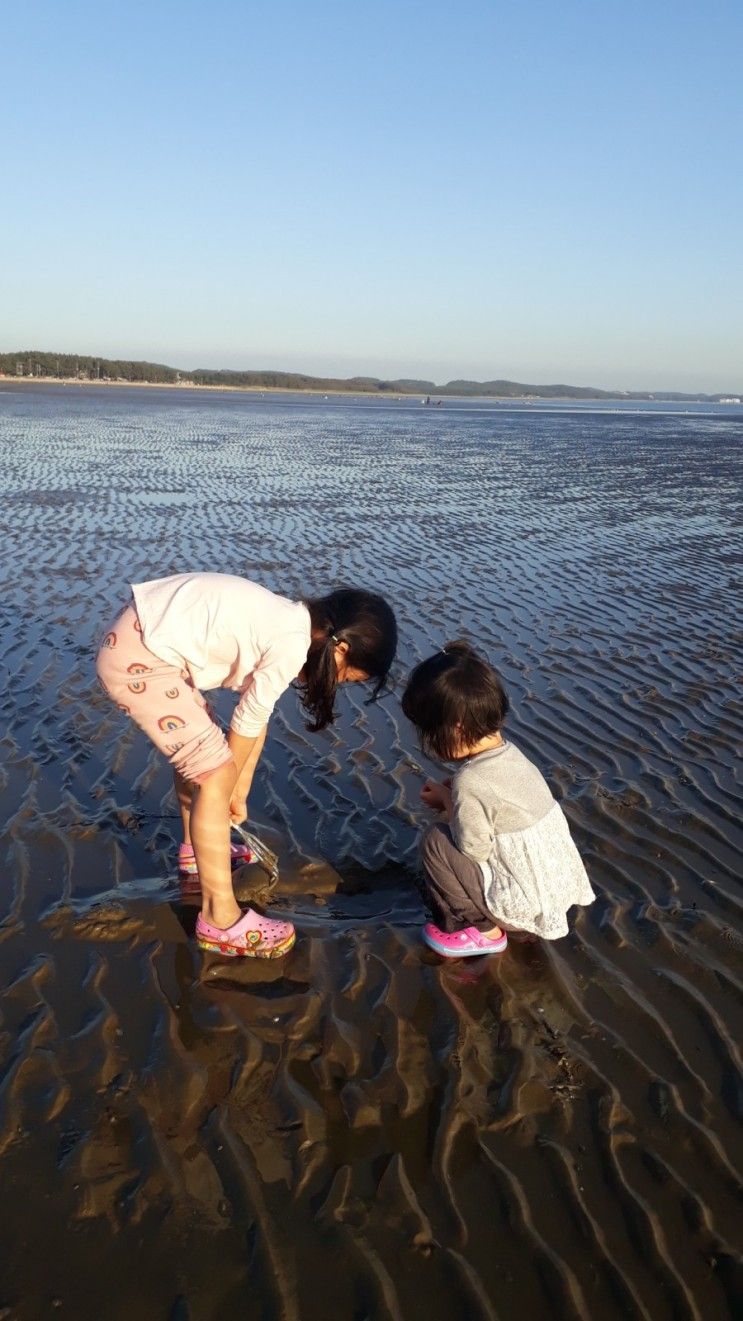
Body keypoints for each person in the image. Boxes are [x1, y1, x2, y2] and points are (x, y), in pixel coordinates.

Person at [96, 572, 397, 958]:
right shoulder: (290, 644)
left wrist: (239, 788)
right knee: (214, 772)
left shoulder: (289, 622)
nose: (336, 685)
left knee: (206, 756)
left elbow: (256, 717)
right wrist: (226, 790)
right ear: (340, 650)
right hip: (141, 659)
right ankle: (220, 918)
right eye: (345, 678)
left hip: (141, 641)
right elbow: (248, 722)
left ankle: (194, 853)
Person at [401, 641, 594, 957]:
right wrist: (457, 798)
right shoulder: (513, 756)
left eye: (431, 734)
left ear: (456, 728)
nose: (430, 744)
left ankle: (482, 931)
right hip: (552, 891)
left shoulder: (471, 780)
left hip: (521, 904)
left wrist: (448, 802)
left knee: (436, 841)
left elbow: (474, 848)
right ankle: (520, 921)